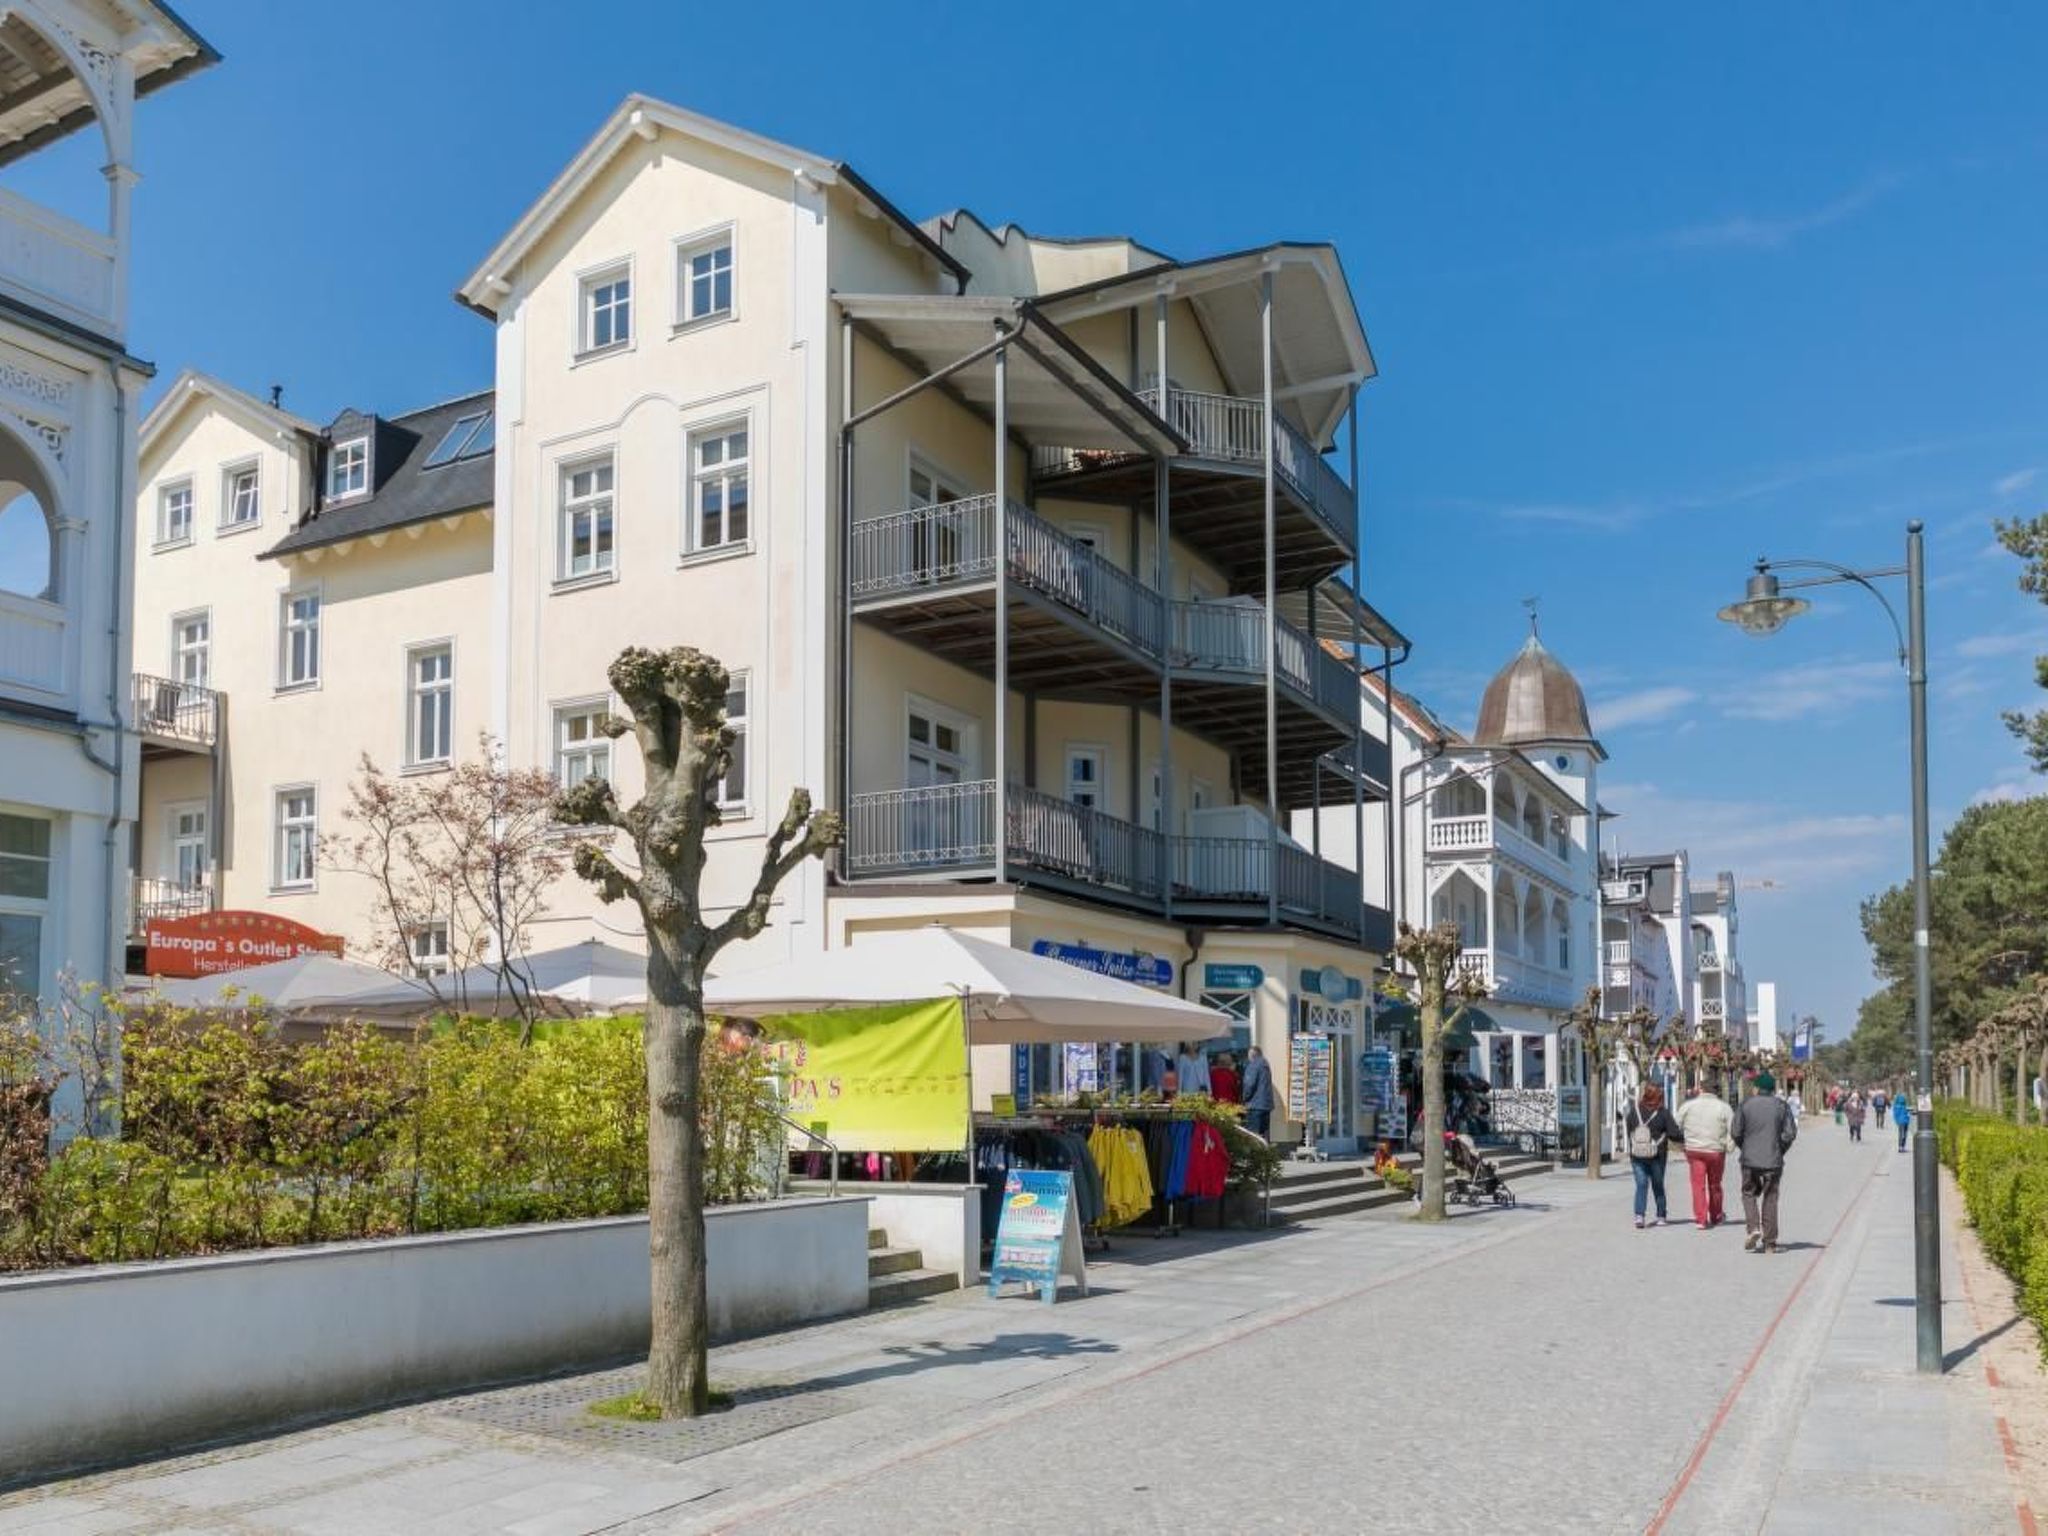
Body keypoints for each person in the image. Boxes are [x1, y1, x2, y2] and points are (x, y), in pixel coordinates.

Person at [1732, 1072, 1798, 1254]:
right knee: (1770, 1198)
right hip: (1773, 1160)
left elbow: (1736, 1132)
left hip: (1749, 1160)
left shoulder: (1745, 1104)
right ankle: (1770, 1243)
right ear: (1773, 1089)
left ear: (1756, 1088)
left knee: (1748, 1193)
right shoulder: (1782, 1106)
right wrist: (1779, 1149)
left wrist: (1745, 1148)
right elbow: (1790, 1133)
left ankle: (1753, 1228)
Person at [1675, 1080, 1736, 1229]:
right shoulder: (1724, 1107)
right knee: (1715, 1185)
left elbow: (1677, 1125)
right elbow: (1733, 1130)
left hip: (1694, 1149)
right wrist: (1729, 1146)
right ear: (1716, 1091)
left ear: (1701, 1089)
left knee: (1698, 1185)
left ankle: (1701, 1218)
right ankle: (1716, 1215)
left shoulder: (1688, 1106)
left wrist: (1683, 1144)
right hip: (1716, 1150)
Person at [1624, 1083, 1683, 1229]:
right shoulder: (1663, 1112)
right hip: (1657, 1156)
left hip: (1637, 1155)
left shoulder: (1634, 1111)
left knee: (1641, 1185)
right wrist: (1685, 1140)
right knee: (1658, 1185)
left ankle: (1639, 1216)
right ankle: (1661, 1216)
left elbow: (1629, 1130)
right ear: (1659, 1096)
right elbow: (1674, 1134)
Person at [1240, 1046, 1274, 1138]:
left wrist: (1244, 1098)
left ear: (1251, 1055)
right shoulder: (1265, 1065)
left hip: (1255, 1105)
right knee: (1264, 1135)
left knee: (1254, 1136)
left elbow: (1249, 1085)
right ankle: (1266, 1152)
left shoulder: (1253, 1065)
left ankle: (1256, 1152)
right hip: (1266, 1105)